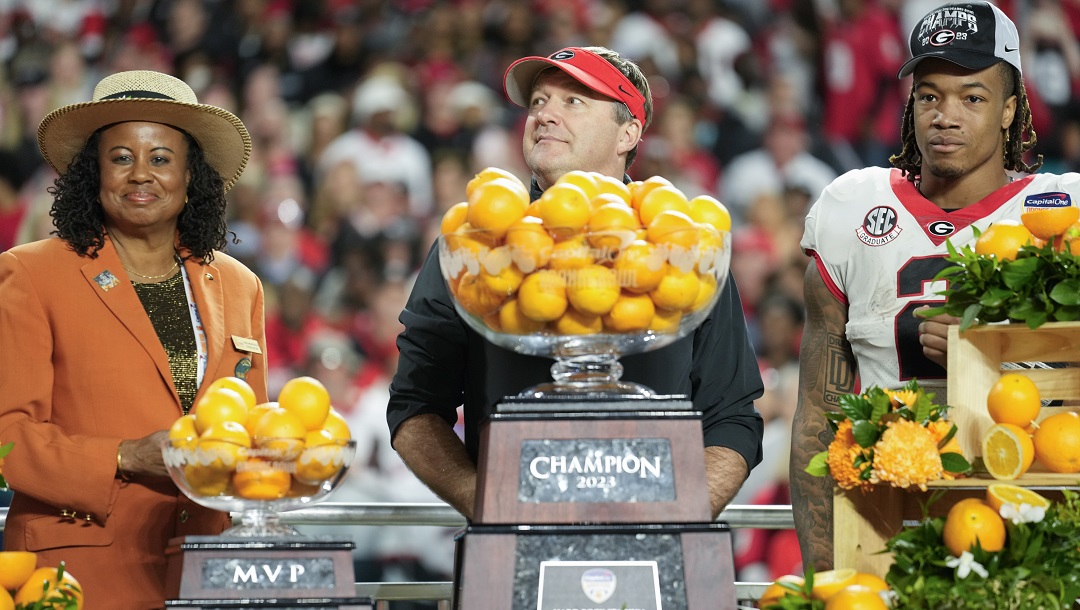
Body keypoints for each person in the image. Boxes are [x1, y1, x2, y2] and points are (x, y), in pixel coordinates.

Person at [387, 46, 764, 522]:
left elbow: (732, 419)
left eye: (573, 102)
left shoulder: (684, 248)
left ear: (628, 133)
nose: (544, 115)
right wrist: (481, 501)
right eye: (539, 101)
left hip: (654, 543)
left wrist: (678, 520)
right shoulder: (477, 246)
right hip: (510, 545)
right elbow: (415, 405)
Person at [790, 1, 1080, 570]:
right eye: (929, 96)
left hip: (1034, 525)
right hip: (882, 525)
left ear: (1009, 110)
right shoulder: (852, 207)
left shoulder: (1061, 211)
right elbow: (817, 420)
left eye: (972, 98)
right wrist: (827, 574)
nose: (945, 116)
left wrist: (998, 349)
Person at [0, 70, 267, 608]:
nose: (140, 174)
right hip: (75, 574)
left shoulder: (241, 285)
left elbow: (250, 424)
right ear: (92, 174)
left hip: (206, 568)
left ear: (192, 175)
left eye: (161, 158)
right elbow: (7, 439)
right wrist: (122, 456)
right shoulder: (29, 273)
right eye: (121, 157)